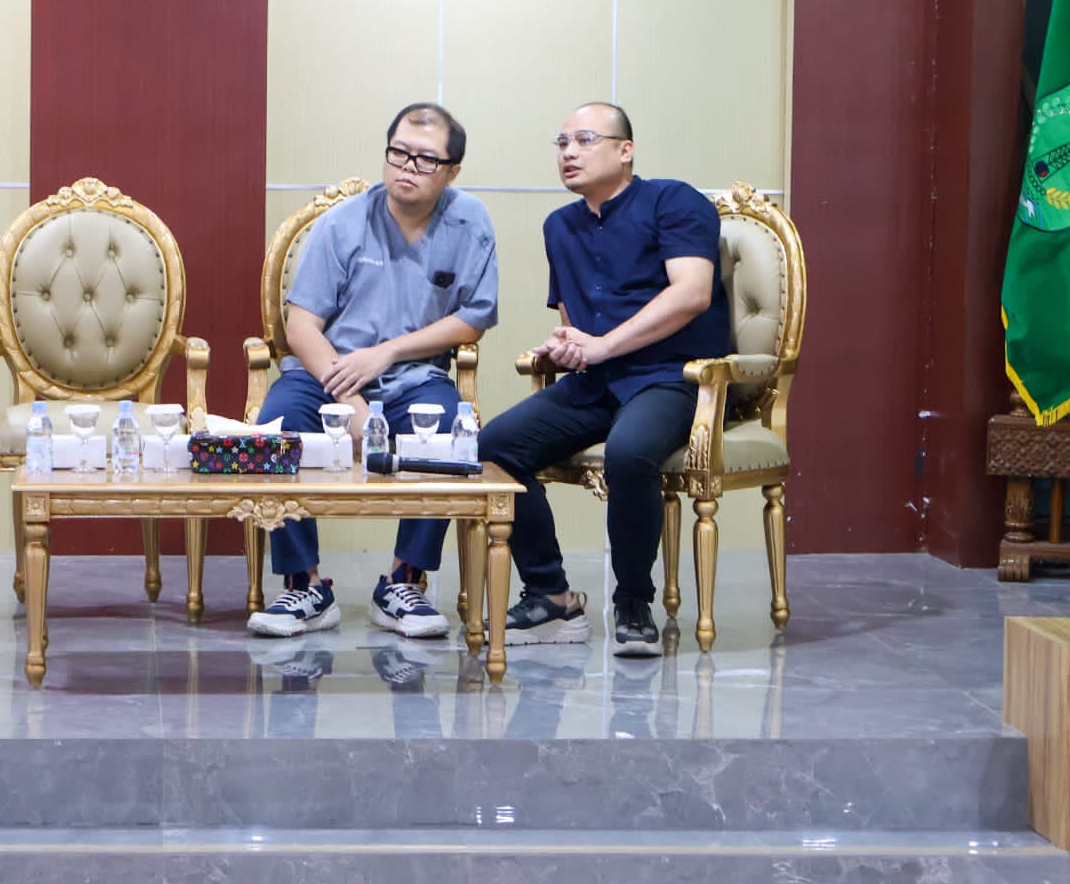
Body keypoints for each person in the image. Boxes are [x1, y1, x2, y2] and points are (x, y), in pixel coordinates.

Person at [478, 103, 729, 656]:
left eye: (584, 140)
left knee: (630, 451)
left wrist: (603, 345)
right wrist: (566, 345)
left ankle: (633, 603)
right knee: (494, 447)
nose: (569, 152)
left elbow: (692, 293)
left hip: (672, 376)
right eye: (562, 143)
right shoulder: (559, 226)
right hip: (598, 382)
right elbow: (576, 323)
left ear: (625, 150)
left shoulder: (673, 200)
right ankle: (552, 595)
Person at [247, 102, 498, 640]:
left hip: (414, 376)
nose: (408, 167)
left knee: (450, 434)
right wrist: (350, 399)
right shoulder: (342, 224)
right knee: (276, 427)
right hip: (326, 374)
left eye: (426, 160)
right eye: (398, 153)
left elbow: (473, 319)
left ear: (453, 171)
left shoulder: (470, 221)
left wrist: (387, 353)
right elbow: (301, 326)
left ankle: (404, 582)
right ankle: (305, 584)